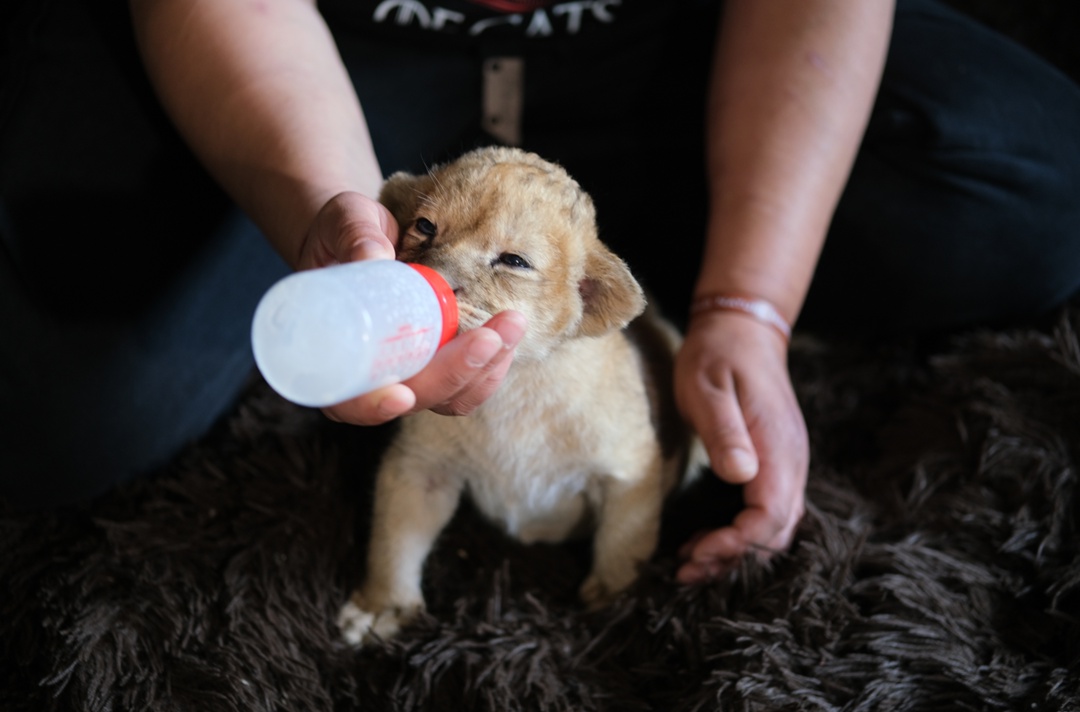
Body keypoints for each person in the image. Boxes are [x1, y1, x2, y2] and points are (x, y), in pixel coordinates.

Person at [2, 0, 1078, 586]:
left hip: (666, 42)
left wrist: (750, 300)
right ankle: (469, 222)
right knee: (37, 404)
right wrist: (331, 213)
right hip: (321, 45)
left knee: (1045, 190)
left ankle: (579, 233)